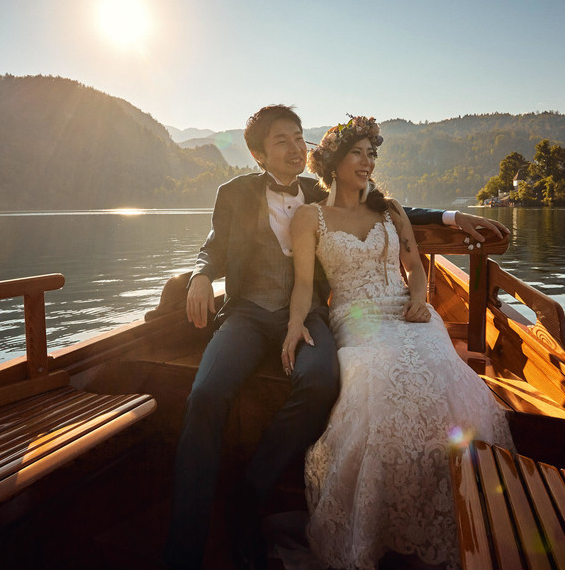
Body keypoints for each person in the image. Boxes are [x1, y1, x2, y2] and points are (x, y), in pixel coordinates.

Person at [163, 105, 508, 569]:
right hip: (248, 313)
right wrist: (202, 276)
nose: (294, 148)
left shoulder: (317, 188)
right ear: (257, 154)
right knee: (205, 393)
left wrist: (448, 216)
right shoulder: (235, 192)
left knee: (322, 380)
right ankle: (186, 543)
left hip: (308, 317)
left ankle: (253, 488)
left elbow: (379, 206)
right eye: (281, 141)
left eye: (299, 138)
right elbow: (212, 246)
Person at [282, 116, 515, 569]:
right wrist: (294, 324)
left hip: (409, 315)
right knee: (380, 384)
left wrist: (417, 299)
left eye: (373, 153)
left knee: (441, 375)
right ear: (332, 159)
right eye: (358, 152)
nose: (368, 161)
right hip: (356, 317)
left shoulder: (390, 210)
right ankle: (381, 521)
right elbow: (302, 284)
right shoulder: (310, 217)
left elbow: (416, 267)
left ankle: (457, 508)